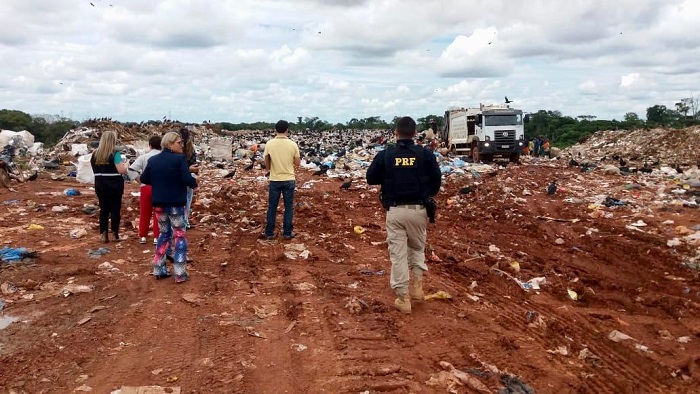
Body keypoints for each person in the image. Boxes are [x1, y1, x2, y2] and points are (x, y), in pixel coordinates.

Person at [366, 116, 442, 314]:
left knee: (398, 254)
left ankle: (403, 298)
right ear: (415, 134)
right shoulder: (425, 154)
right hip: (419, 210)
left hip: (395, 211)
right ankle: (417, 288)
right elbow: (436, 182)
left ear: (396, 133)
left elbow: (370, 178)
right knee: (417, 248)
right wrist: (424, 194)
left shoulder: (386, 155)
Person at [140, 132, 198, 283]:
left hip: (159, 203)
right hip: (176, 204)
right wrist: (194, 183)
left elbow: (144, 178)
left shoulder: (153, 160)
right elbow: (186, 179)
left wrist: (160, 182)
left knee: (163, 234)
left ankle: (159, 268)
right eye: (179, 143)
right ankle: (179, 273)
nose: (182, 145)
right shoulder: (179, 159)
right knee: (179, 235)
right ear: (170, 143)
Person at [263, 120, 300, 240]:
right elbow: (297, 163)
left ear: (275, 130)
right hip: (289, 179)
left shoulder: (269, 144)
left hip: (274, 179)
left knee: (272, 206)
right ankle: (287, 233)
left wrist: (271, 167)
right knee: (288, 207)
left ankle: (269, 233)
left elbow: (267, 162)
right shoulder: (293, 144)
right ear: (287, 130)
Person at [90, 130, 128, 243]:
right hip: (115, 186)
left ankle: (103, 234)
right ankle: (115, 234)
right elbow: (121, 170)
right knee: (115, 210)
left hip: (100, 186)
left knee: (104, 210)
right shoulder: (115, 154)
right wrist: (126, 164)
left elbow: (94, 170)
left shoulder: (94, 154)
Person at [128, 135, 162, 244]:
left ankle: (143, 236)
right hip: (160, 187)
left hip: (145, 187)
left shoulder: (143, 157)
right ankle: (157, 237)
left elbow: (131, 169)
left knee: (144, 212)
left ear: (150, 145)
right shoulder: (163, 157)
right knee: (158, 213)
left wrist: (140, 180)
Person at [179, 129, 199, 229]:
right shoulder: (191, 149)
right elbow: (194, 164)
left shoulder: (177, 149)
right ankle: (185, 221)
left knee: (182, 200)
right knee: (188, 200)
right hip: (189, 177)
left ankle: (183, 221)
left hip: (179, 177)